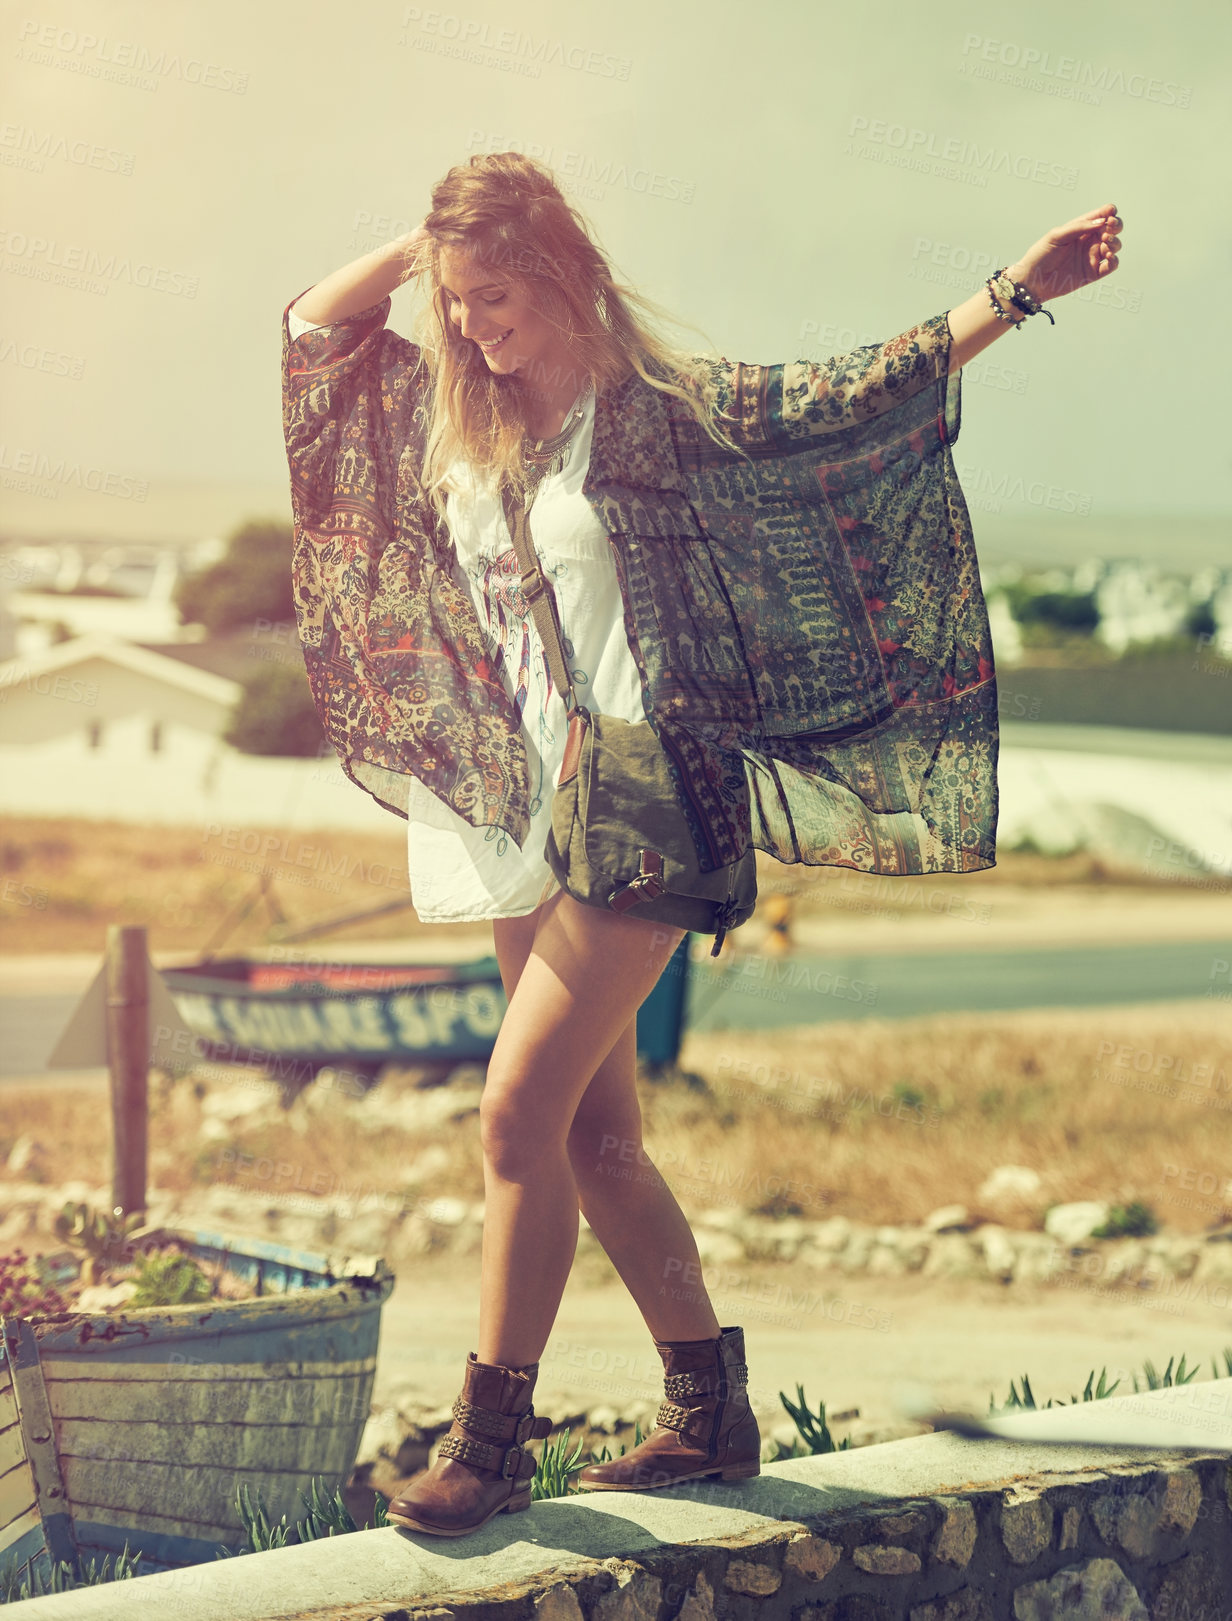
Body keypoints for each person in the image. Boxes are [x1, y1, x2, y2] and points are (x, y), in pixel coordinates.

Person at [281, 153, 1122, 1538]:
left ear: (561, 270)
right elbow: (318, 332)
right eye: (458, 302)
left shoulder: (662, 413)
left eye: (497, 293)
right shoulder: (475, 433)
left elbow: (855, 392)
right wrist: (426, 243)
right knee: (599, 1136)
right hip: (534, 808)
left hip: (656, 791)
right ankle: (709, 1411)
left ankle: (489, 1442)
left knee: (512, 1117)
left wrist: (1017, 290)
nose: (476, 325)